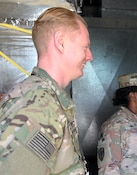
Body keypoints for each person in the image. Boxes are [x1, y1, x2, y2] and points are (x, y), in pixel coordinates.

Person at [0, 7, 93, 175]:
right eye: (85, 47)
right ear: (61, 42)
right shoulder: (39, 104)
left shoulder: (47, 99)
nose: (89, 56)